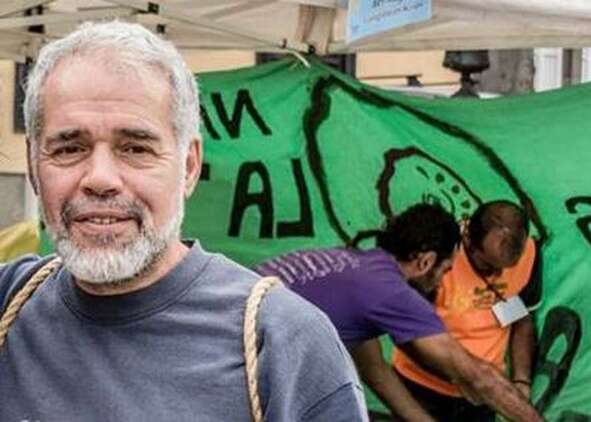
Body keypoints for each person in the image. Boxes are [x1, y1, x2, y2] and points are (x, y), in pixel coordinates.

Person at [0, 21, 367, 421]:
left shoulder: (281, 342)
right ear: (35, 165)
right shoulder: (10, 304)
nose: (100, 179)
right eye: (69, 148)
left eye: (135, 148)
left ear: (189, 166)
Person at [254, 203, 542, 422]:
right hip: (239, 364)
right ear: (425, 262)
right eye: (444, 271)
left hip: (225, 338)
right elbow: (478, 376)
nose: (443, 282)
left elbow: (375, 370)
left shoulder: (355, 267)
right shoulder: (391, 292)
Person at [393, 200, 540, 421]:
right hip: (422, 388)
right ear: (468, 240)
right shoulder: (435, 259)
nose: (497, 274)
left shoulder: (528, 254)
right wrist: (464, 377)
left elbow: (521, 318)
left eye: (507, 267)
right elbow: (407, 336)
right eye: (487, 265)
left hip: (483, 395)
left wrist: (521, 381)